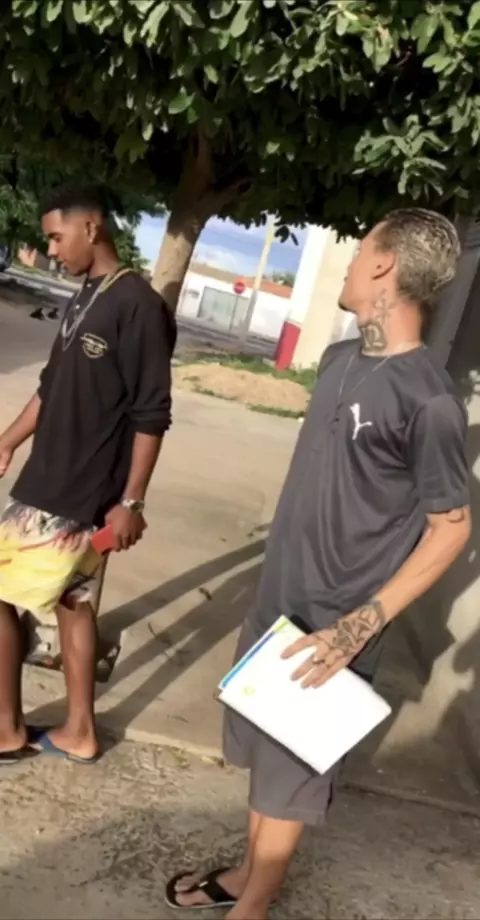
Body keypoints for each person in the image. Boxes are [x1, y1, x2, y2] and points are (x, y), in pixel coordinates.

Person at [165, 209, 471, 919]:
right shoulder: (338, 360)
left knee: (293, 772)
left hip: (334, 624)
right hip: (278, 598)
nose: (351, 261)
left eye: (361, 250)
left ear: (384, 266)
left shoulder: (430, 401)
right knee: (264, 757)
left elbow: (451, 530)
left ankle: (253, 906)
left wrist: (357, 627)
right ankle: (247, 874)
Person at [0, 184, 176, 765]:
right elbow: (51, 387)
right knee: (73, 602)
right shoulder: (85, 296)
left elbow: (152, 412)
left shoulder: (139, 306)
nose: (51, 250)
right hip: (51, 476)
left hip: (77, 488)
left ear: (91, 228)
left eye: (56, 238)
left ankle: (6, 729)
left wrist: (132, 502)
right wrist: (7, 442)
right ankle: (80, 731)